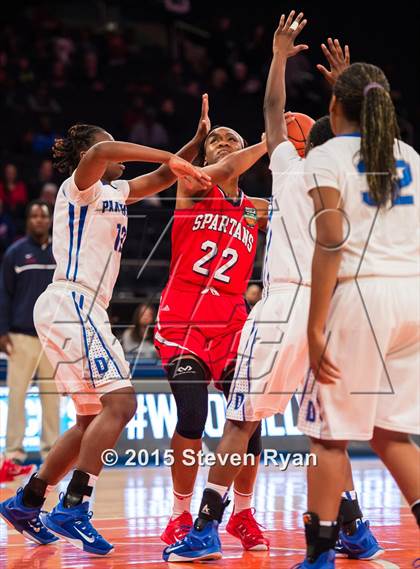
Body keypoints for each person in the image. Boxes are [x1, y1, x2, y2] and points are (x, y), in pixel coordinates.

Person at [162, 11, 381, 563]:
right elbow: (361, 131)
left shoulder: (285, 167)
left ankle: (207, 527)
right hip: (330, 311)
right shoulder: (352, 171)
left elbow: (271, 112)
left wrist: (281, 57)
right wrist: (348, 87)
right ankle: (353, 528)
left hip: (282, 305)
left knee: (240, 420)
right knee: (326, 433)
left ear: (297, 140)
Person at [0, 120, 210, 556]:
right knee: (122, 403)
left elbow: (163, 176)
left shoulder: (115, 192)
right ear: (91, 155)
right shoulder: (80, 187)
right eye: (109, 149)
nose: (114, 156)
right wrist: (162, 153)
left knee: (88, 419)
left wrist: (187, 147)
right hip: (71, 301)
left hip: (84, 310)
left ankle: (28, 501)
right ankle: (74, 505)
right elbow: (101, 155)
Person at [295, 61, 419, 568]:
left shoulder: (324, 157)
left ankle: (320, 555)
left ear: (332, 106)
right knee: (391, 433)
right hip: (411, 296)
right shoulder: (409, 154)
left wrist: (314, 323)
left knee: (328, 436)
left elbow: (331, 239)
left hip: (361, 297)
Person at [155, 93, 270, 550]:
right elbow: (218, 171)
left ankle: (242, 514)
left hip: (232, 323)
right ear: (205, 154)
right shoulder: (195, 184)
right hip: (183, 318)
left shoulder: (258, 208)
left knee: (249, 419)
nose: (223, 143)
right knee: (193, 414)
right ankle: (180, 514)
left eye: (232, 139)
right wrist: (269, 140)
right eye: (217, 139)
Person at [0, 200, 59, 465]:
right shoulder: (15, 253)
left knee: (52, 400)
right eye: (34, 215)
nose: (38, 220)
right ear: (28, 220)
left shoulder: (61, 252)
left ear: (49, 221)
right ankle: (13, 455)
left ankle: (51, 455)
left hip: (53, 338)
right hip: (21, 336)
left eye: (43, 216)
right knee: (17, 397)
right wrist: (2, 332)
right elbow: (4, 295)